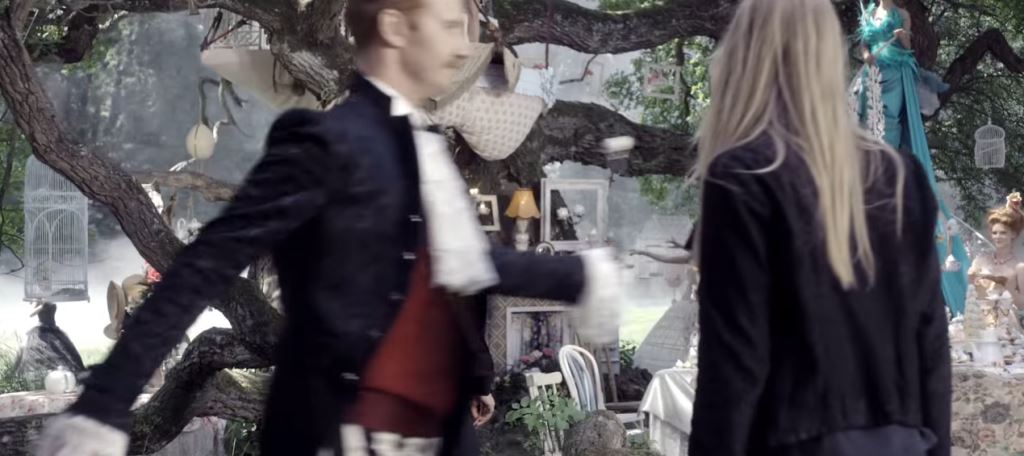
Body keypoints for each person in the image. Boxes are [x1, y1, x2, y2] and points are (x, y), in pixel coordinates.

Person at [34, 0, 622, 454]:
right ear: (395, 28)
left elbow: (465, 266)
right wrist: (104, 404)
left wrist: (579, 277)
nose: (461, 44)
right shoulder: (322, 142)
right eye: (448, 26)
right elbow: (206, 264)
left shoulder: (424, 147)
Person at [688, 0, 950, 455]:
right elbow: (930, 345)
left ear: (742, 59)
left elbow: (733, 368)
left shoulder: (743, 176)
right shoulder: (899, 175)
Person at [854, 0, 970, 316]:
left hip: (895, 72)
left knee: (889, 121)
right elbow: (864, 45)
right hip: (873, 74)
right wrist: (867, 57)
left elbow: (908, 49)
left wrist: (903, 37)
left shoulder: (901, 14)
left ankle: (888, 156)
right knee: (867, 122)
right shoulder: (868, 13)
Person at [967, 193, 1024, 308]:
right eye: (994, 233)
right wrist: (972, 279)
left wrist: (1009, 288)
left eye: (1003, 233)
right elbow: (972, 294)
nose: (998, 237)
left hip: (1006, 316)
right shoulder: (980, 260)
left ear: (1013, 234)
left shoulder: (1019, 267)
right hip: (981, 315)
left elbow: (1022, 305)